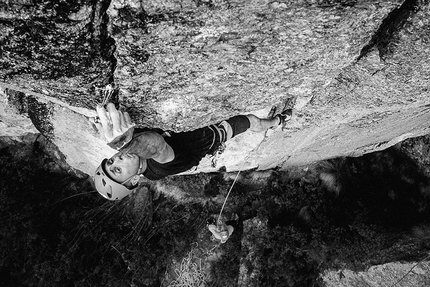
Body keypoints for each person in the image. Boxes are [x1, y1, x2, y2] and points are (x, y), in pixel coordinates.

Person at [91, 103, 292, 200]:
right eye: (118, 170)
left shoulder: (134, 157)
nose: (117, 159)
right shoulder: (156, 170)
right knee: (251, 121)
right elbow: (157, 147)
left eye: (111, 162)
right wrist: (126, 145)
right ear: (133, 181)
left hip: (194, 124)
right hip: (213, 134)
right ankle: (277, 121)